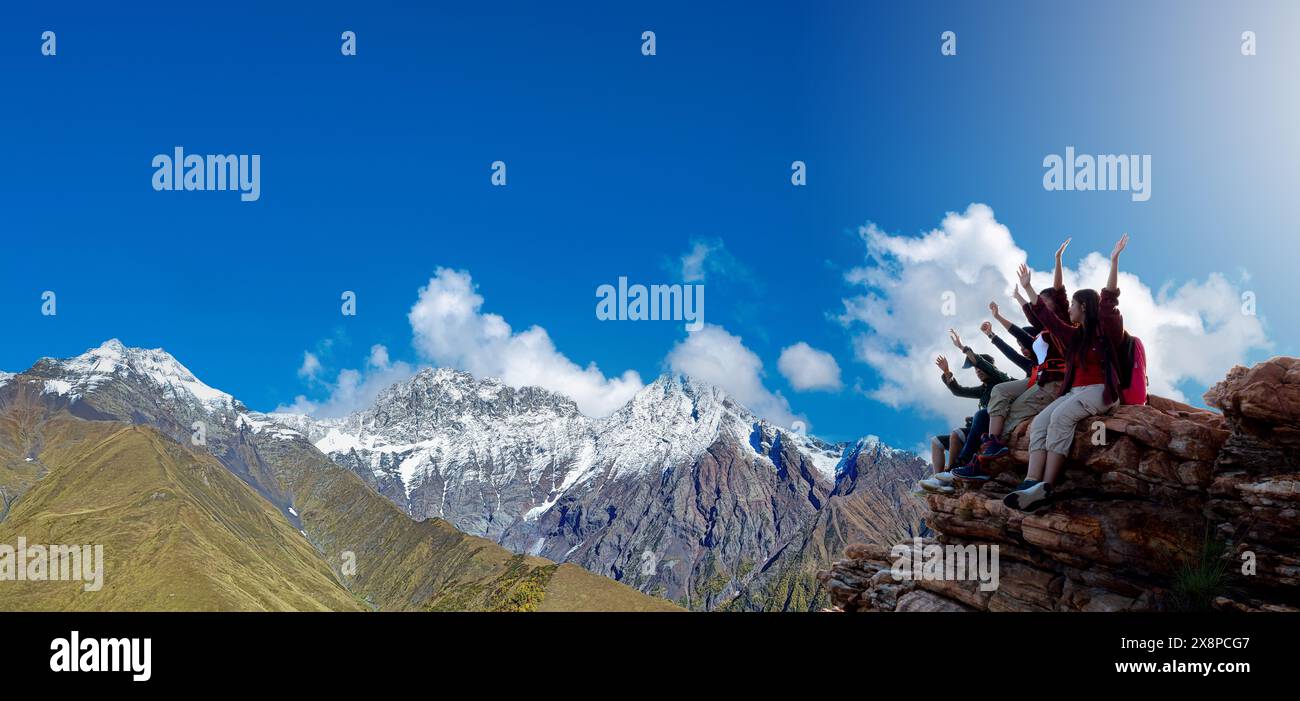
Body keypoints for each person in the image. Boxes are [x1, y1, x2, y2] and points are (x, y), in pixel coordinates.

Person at [1003, 234, 1130, 512]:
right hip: (1076, 392)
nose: (1068, 309)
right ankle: (1030, 482)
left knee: (1061, 417)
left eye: (1073, 305)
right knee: (1040, 422)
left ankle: (1046, 486)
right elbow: (1047, 317)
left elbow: (1108, 300)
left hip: (1102, 391)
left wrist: (1114, 261)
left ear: (1083, 307)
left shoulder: (1105, 330)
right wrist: (1029, 289)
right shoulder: (1074, 336)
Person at [954, 239, 1073, 481]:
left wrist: (1058, 261)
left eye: (1044, 303)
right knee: (999, 393)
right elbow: (1023, 328)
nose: (1039, 306)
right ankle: (991, 444)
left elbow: (1055, 298)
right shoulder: (1042, 335)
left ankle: (983, 464)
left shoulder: (1062, 330)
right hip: (1041, 381)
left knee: (1007, 414)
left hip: (1052, 383)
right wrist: (996, 323)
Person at [918, 330, 1010, 494]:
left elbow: (984, 365)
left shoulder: (1001, 380)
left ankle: (952, 472)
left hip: (991, 428)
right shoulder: (983, 389)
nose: (978, 371)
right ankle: (939, 479)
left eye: (979, 368)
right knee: (936, 441)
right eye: (975, 370)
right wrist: (947, 373)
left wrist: (963, 347)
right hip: (978, 428)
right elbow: (959, 391)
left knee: (957, 433)